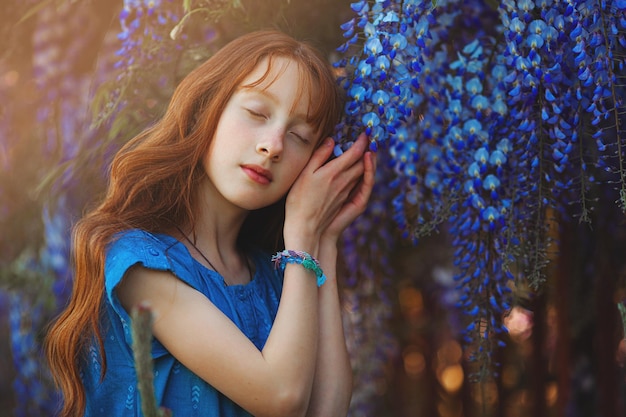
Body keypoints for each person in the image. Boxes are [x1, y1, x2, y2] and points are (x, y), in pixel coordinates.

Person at [45, 29, 376, 417]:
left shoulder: (275, 275)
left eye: (299, 136)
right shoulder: (140, 264)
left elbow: (327, 410)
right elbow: (281, 398)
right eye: (256, 113)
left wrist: (326, 240)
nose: (273, 146)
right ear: (208, 109)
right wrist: (303, 234)